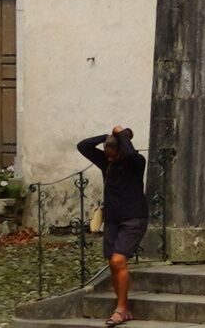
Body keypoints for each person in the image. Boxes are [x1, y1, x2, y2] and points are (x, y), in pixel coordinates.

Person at [77, 126, 148, 324]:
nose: (108, 159)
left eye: (112, 155)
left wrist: (123, 134)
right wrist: (108, 136)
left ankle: (122, 308)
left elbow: (132, 154)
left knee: (118, 261)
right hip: (113, 219)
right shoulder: (105, 162)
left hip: (134, 217)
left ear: (122, 151)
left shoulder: (135, 162)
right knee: (113, 263)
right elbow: (83, 146)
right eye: (106, 155)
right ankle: (121, 304)